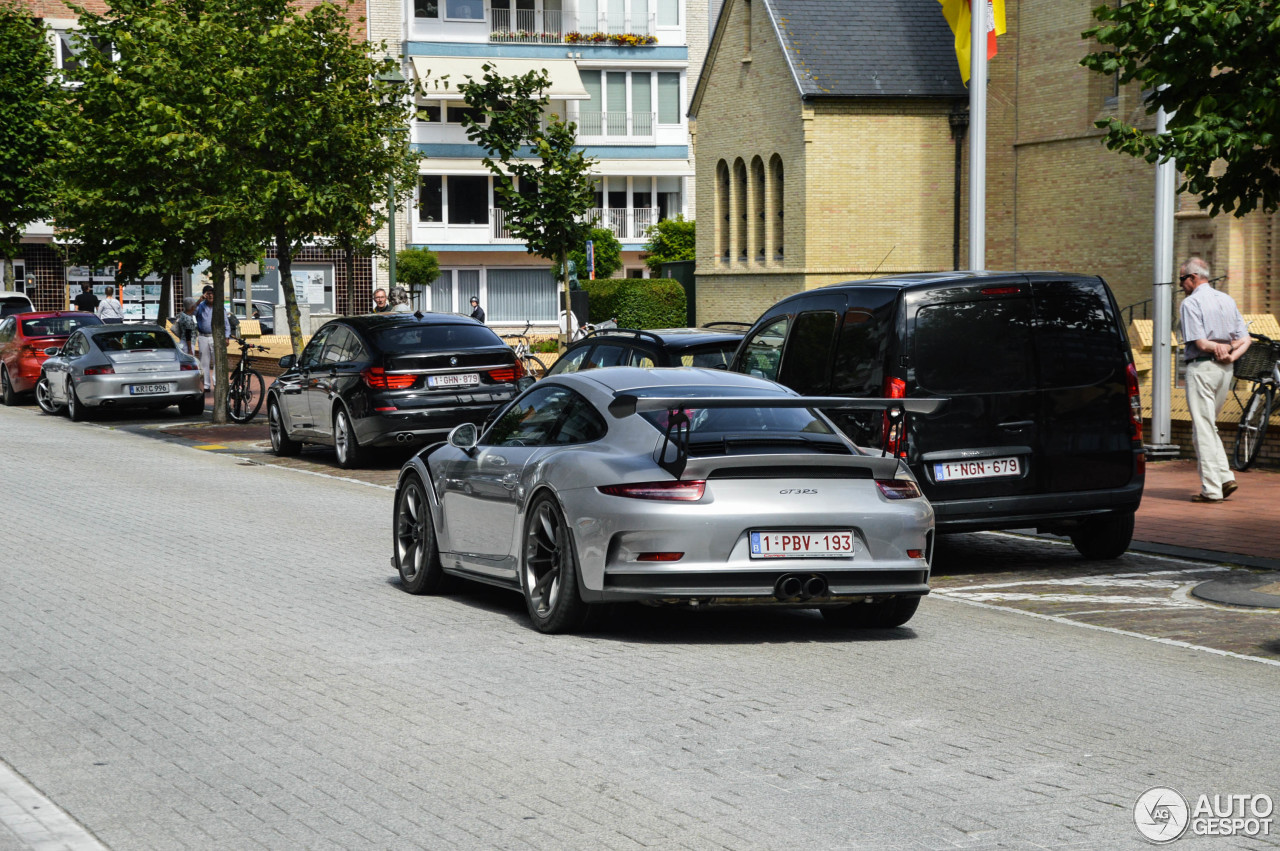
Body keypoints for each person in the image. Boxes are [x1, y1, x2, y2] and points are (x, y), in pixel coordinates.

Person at [1179, 256, 1251, 503]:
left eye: (1182, 279)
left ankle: (1211, 489)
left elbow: (1199, 342)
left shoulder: (1191, 303)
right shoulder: (1227, 300)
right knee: (1209, 426)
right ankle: (1225, 477)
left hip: (1201, 368)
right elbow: (1246, 339)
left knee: (1203, 427)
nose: (1181, 285)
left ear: (1193, 277)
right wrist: (1231, 355)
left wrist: (1217, 348)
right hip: (1225, 371)